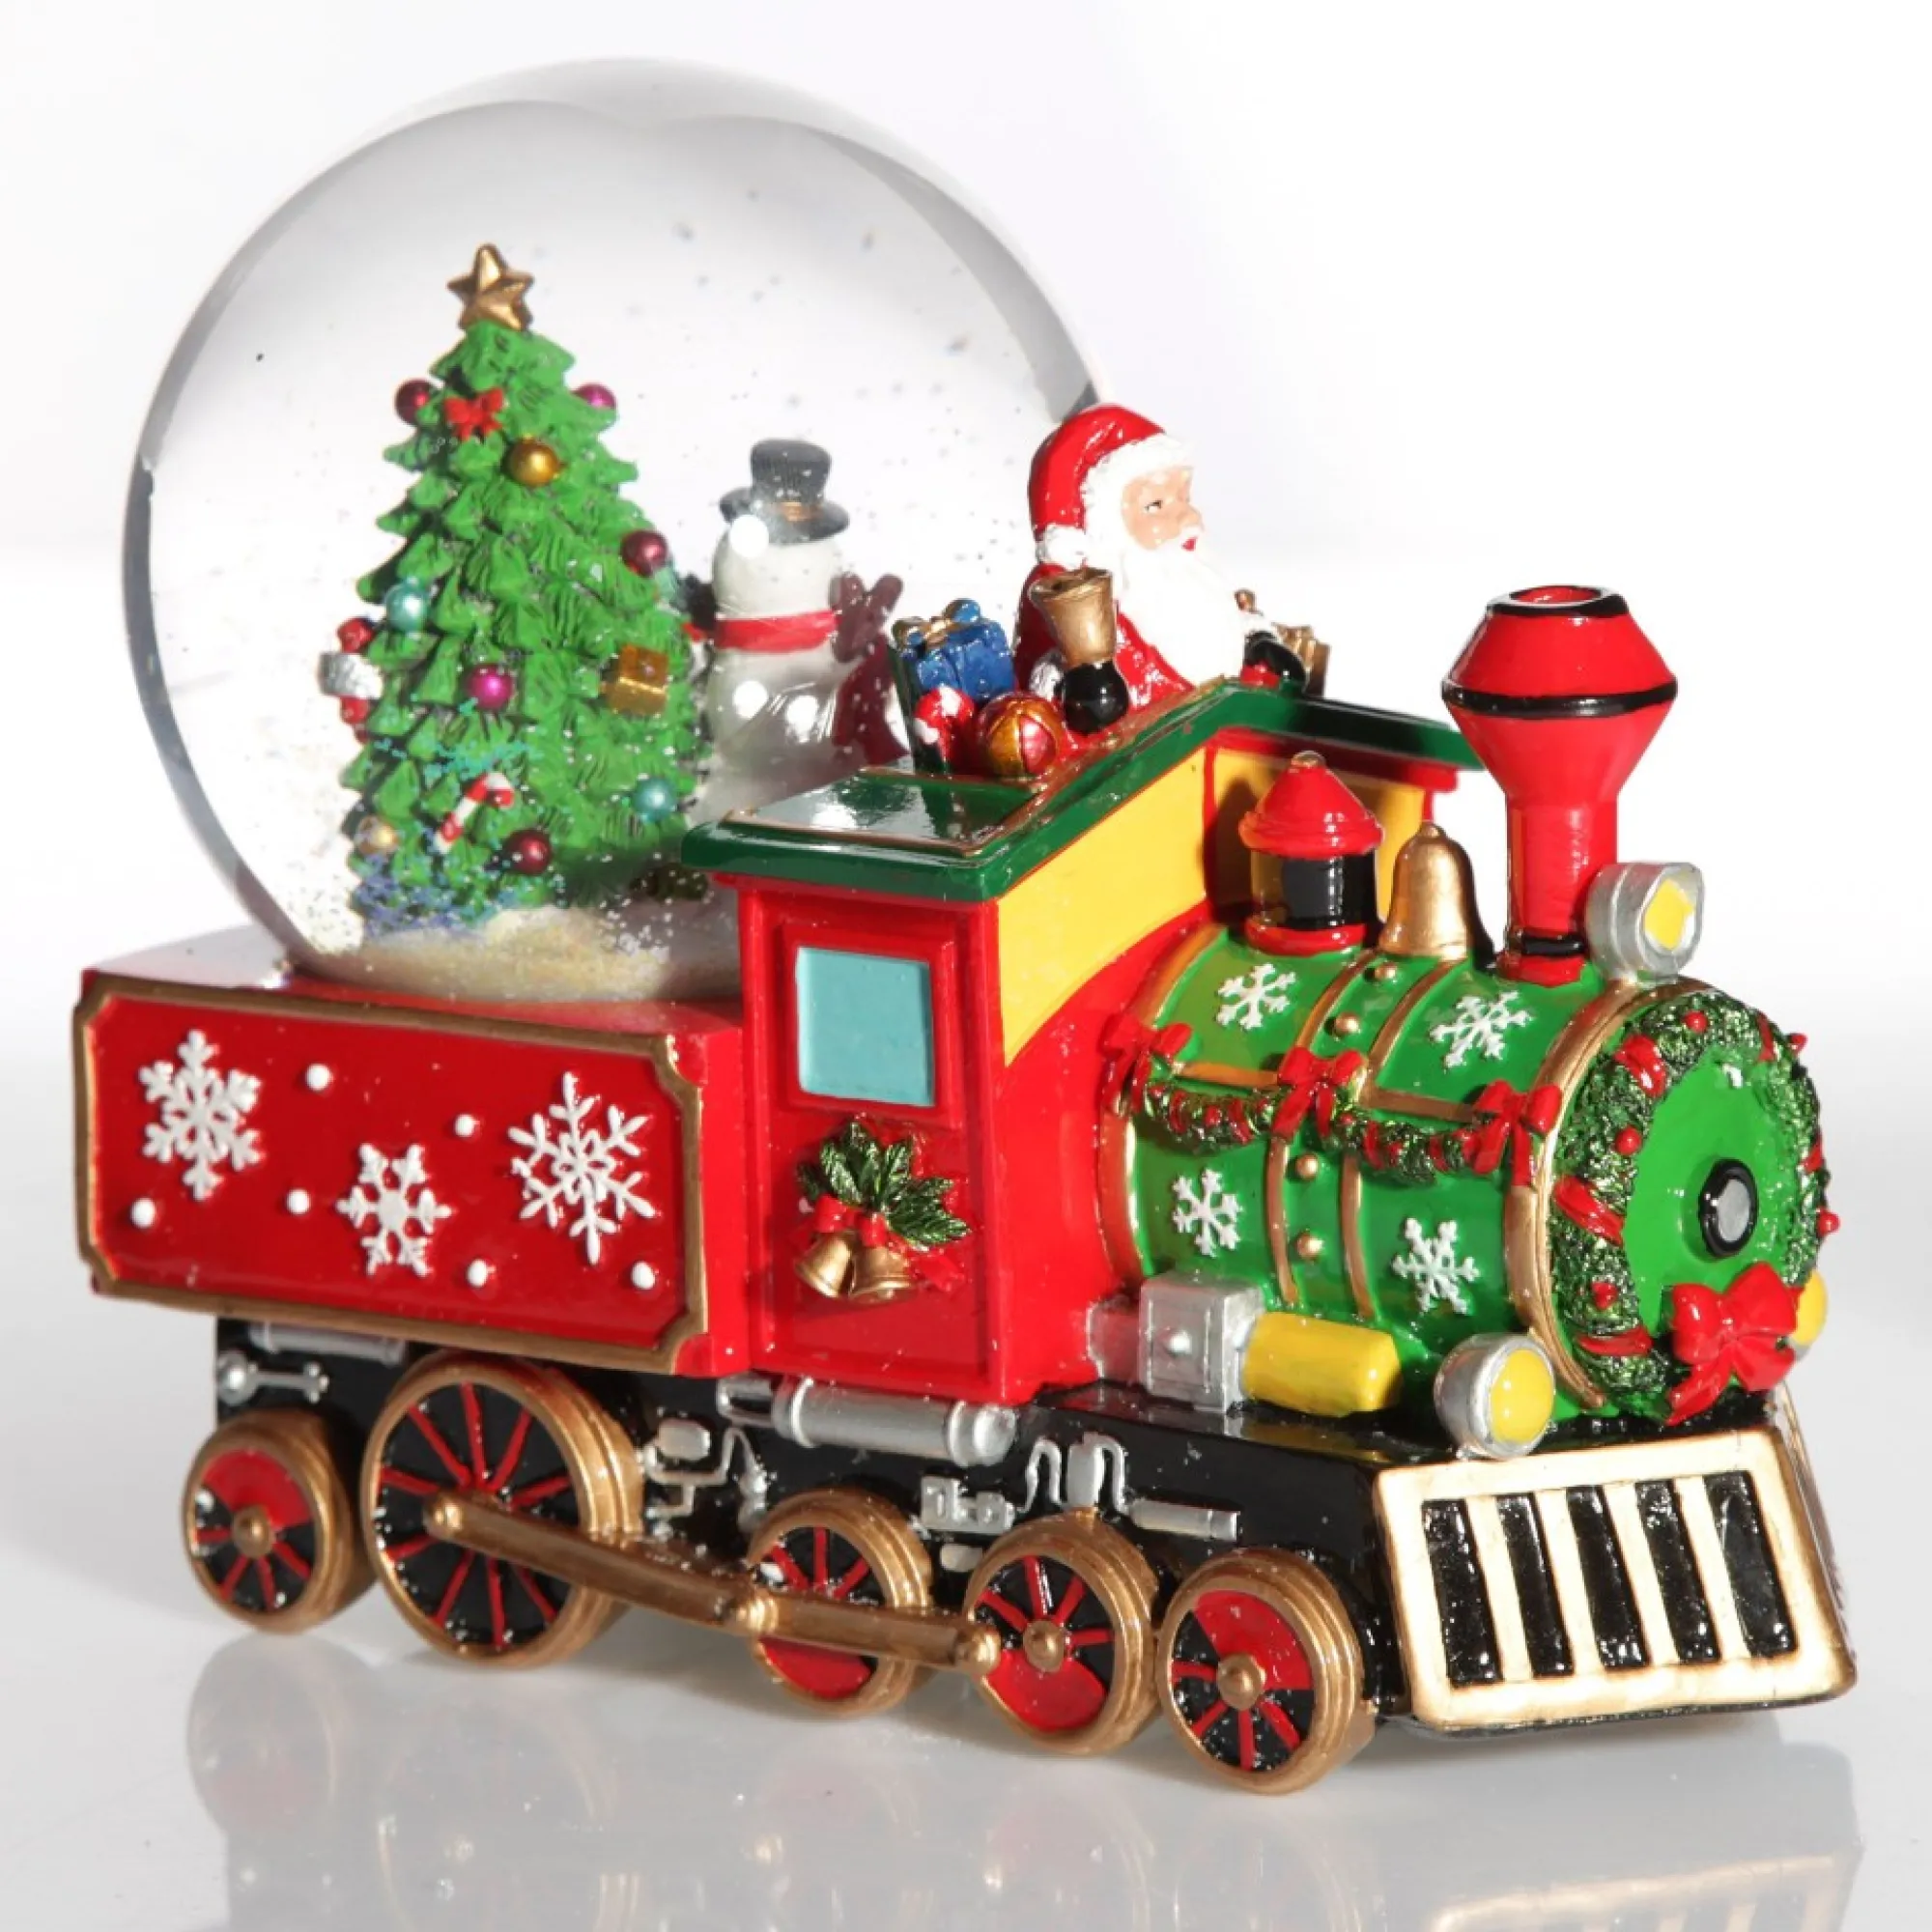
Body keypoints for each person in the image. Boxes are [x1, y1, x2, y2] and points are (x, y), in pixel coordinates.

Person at [1013, 404, 1294, 708]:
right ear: (1105, 524)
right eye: (1155, 506)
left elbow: (1215, 620)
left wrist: (1256, 640)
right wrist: (1084, 682)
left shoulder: (1185, 572)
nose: (1188, 518)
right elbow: (1044, 673)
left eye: (1185, 498)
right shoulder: (1070, 594)